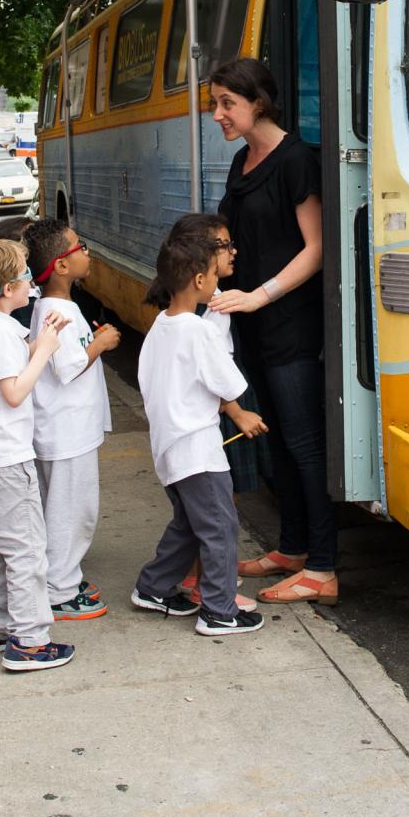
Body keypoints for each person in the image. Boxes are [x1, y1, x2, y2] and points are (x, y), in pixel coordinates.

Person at [206, 58, 337, 606]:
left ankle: (325, 569)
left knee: (305, 444)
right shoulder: (242, 162)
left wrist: (260, 296)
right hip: (250, 322)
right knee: (277, 437)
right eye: (215, 104)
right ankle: (292, 549)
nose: (217, 115)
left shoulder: (296, 161)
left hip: (288, 321)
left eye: (225, 104)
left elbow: (317, 247)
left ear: (257, 101)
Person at [131, 233, 267, 637]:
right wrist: (243, 411)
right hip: (198, 448)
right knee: (220, 528)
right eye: (213, 272)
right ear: (199, 280)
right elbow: (231, 383)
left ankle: (152, 587)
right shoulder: (198, 330)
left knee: (189, 524)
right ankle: (219, 611)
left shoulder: (161, 324)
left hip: (170, 446)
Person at [0, 238, 74, 672]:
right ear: (7, 289)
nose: (30, 284)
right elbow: (14, 391)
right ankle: (30, 641)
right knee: (26, 554)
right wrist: (43, 351)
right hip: (7, 463)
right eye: (25, 276)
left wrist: (40, 339)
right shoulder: (1, 331)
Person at [22, 219, 119, 621]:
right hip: (66, 432)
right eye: (78, 247)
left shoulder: (55, 306)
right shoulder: (57, 311)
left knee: (60, 507)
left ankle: (59, 577)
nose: (86, 252)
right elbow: (67, 366)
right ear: (61, 266)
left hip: (63, 429)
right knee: (72, 510)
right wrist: (100, 344)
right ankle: (60, 591)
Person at [158, 212, 254, 611]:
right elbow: (217, 378)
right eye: (223, 245)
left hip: (184, 433)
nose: (232, 252)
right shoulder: (198, 318)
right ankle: (217, 603)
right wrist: (238, 412)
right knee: (217, 517)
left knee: (196, 516)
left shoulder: (174, 316)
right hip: (198, 432)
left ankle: (164, 585)